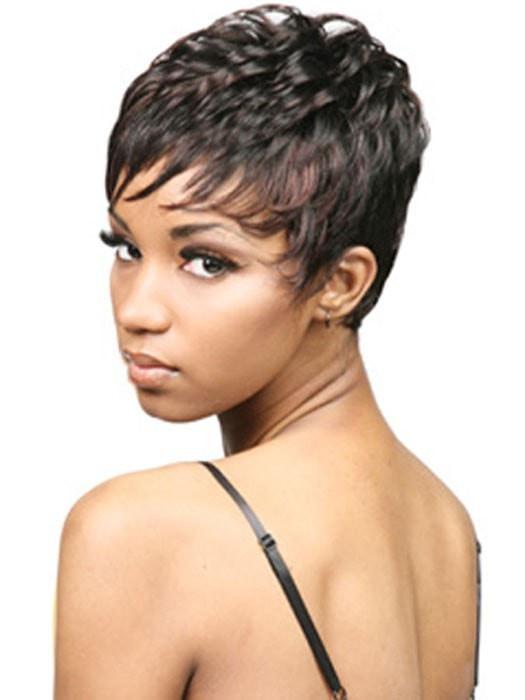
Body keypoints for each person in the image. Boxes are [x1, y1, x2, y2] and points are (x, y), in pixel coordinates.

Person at [53, 4, 481, 698]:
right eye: (126, 248)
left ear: (340, 284)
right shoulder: (446, 529)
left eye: (207, 262)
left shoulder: (140, 532)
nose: (136, 310)